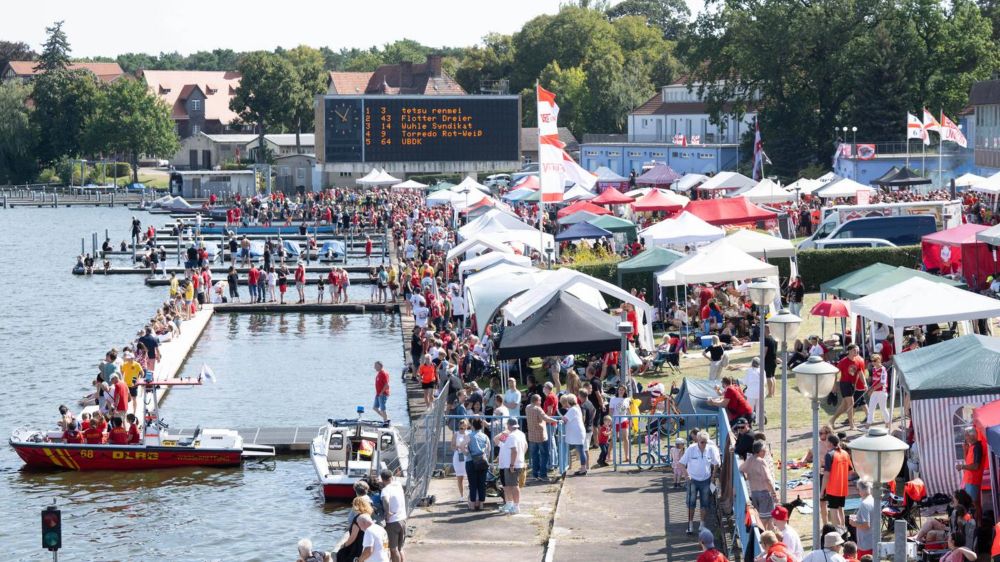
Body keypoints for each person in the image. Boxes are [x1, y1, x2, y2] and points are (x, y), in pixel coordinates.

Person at [679, 430, 721, 534]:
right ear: (697, 440)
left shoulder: (710, 449)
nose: (704, 444)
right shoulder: (691, 449)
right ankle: (690, 525)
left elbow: (716, 463)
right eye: (702, 442)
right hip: (692, 480)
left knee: (704, 504)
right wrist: (686, 475)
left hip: (706, 480)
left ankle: (702, 525)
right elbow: (681, 463)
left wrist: (713, 476)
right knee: (691, 504)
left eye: (706, 442)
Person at [741, 440, 778, 530]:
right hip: (764, 494)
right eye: (764, 449)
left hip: (754, 494)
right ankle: (766, 540)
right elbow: (767, 479)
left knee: (759, 519)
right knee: (767, 521)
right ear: (760, 450)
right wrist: (774, 493)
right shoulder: (761, 461)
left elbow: (741, 468)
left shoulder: (750, 460)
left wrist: (748, 475)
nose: (765, 452)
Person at [830, 344, 866, 430]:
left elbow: (860, 373)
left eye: (857, 350)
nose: (856, 352)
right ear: (849, 351)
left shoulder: (858, 360)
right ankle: (851, 425)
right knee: (851, 403)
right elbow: (835, 373)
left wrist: (865, 383)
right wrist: (834, 386)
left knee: (844, 406)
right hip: (845, 384)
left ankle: (832, 420)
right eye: (854, 350)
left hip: (852, 385)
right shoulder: (843, 361)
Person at [496, 418, 528, 514]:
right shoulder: (520, 434)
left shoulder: (512, 436)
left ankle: (516, 506)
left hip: (512, 464)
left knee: (514, 485)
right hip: (515, 463)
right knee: (510, 485)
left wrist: (512, 464)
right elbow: (525, 446)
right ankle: (511, 505)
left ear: (509, 425)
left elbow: (514, 451)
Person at [526, 394, 558, 481]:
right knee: (545, 455)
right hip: (541, 436)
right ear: (536, 401)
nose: (541, 402)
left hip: (532, 436)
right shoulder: (538, 409)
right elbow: (546, 418)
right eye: (540, 400)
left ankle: (535, 474)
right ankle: (543, 474)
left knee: (534, 455)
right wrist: (556, 420)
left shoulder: (527, 407)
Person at [824, 434, 852, 532]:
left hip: (833, 488)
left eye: (826, 441)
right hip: (842, 487)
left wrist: (822, 490)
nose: (825, 443)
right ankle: (843, 531)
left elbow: (826, 475)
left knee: (834, 511)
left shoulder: (829, 455)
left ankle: (838, 533)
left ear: (830, 443)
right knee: (840, 509)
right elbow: (850, 470)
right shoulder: (845, 453)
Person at [379, 469, 406, 562]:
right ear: (391, 477)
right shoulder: (398, 484)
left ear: (382, 479)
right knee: (400, 548)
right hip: (402, 519)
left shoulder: (385, 490)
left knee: (393, 550)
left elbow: (385, 500)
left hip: (393, 522)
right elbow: (391, 481)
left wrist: (387, 512)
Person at [958, 427, 985, 518]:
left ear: (972, 436)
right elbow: (968, 461)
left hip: (973, 480)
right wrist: (965, 451)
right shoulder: (972, 447)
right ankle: (977, 524)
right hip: (969, 480)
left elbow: (976, 466)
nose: (965, 437)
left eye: (966, 435)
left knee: (974, 504)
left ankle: (978, 524)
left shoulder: (977, 447)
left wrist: (962, 467)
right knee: (973, 503)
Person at [465, 418, 491, 511]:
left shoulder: (469, 436)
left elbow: (464, 449)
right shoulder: (485, 436)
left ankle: (472, 505)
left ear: (472, 426)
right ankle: (481, 505)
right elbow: (488, 450)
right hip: (482, 461)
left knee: (472, 484)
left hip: (471, 461)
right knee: (482, 484)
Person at [562, 394, 588, 475]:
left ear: (568, 402)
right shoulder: (576, 407)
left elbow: (565, 419)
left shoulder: (572, 409)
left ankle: (583, 469)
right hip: (578, 432)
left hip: (577, 433)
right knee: (581, 450)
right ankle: (583, 467)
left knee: (580, 450)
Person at [850, 480, 875, 558]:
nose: (858, 491)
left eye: (858, 489)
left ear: (864, 490)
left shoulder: (864, 504)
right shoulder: (873, 500)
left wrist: (854, 523)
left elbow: (866, 525)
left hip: (865, 543)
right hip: (873, 540)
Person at [866, 354, 889, 427]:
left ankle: (887, 424)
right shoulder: (873, 369)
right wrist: (870, 388)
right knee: (871, 408)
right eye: (872, 361)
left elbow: (882, 383)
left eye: (875, 361)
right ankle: (868, 425)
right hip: (875, 392)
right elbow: (874, 381)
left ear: (879, 360)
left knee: (883, 408)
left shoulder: (883, 369)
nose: (873, 362)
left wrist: (872, 390)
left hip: (882, 392)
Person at [451, 418, 470, 500]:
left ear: (467, 427)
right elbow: (452, 446)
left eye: (464, 427)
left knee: (470, 476)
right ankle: (462, 496)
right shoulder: (456, 434)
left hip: (467, 456)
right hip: (458, 456)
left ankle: (470, 495)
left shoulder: (469, 434)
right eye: (461, 428)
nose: (462, 429)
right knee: (459, 477)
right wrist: (457, 447)